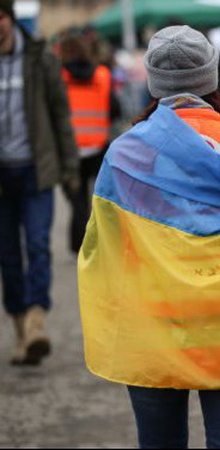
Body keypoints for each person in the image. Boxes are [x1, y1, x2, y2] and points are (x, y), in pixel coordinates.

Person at [77, 25, 220, 448]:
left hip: (154, 323)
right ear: (210, 76)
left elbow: (103, 237)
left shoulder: (123, 153)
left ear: (154, 82)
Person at [0, 0, 79, 366]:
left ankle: (36, 322)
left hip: (36, 169)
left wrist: (70, 167)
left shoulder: (40, 58)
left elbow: (61, 114)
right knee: (7, 255)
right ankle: (20, 329)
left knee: (37, 245)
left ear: (10, 19)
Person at [59, 35, 121, 255]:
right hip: (98, 146)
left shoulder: (60, 76)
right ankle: (101, 242)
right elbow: (115, 109)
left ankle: (78, 244)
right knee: (102, 198)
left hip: (70, 150)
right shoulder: (102, 75)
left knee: (78, 201)